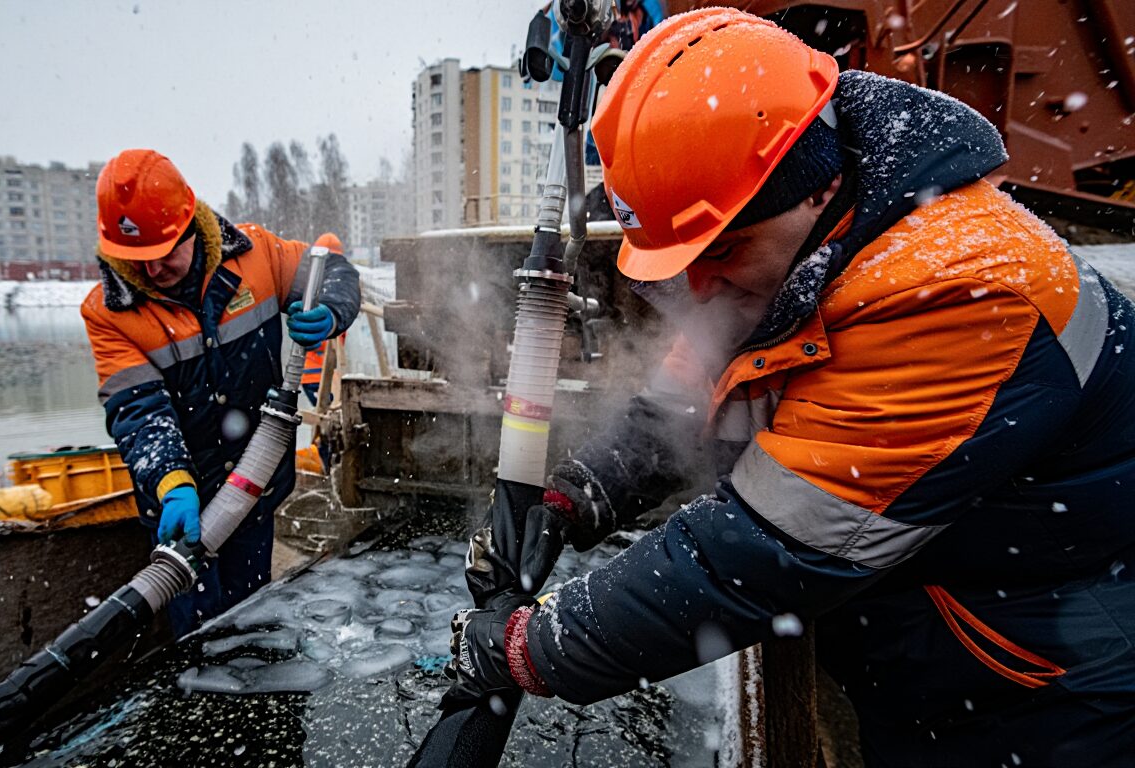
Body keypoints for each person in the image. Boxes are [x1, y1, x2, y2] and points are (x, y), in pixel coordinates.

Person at [445, 9, 1135, 766]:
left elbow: (760, 552)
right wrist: (578, 494)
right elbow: (680, 402)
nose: (700, 290)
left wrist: (534, 645)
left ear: (817, 189)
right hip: (945, 651)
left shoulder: (957, 289)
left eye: (724, 250)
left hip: (1049, 683)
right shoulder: (807, 258)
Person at [80, 149, 358, 636]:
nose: (153, 271)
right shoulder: (109, 313)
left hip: (254, 492)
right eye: (137, 260)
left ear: (192, 224)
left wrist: (332, 311)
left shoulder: (256, 257)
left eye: (165, 252)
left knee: (255, 619)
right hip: (182, 510)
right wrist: (172, 483)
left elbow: (335, 270)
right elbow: (139, 412)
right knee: (199, 639)